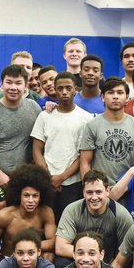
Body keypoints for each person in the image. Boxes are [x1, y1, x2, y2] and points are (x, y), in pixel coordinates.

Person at [31, 71, 92, 217]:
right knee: (47, 225)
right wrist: (49, 177)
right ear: (55, 89)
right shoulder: (44, 116)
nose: (64, 92)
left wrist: (62, 177)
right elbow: (36, 150)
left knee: (69, 224)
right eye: (60, 88)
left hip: (73, 183)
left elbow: (83, 155)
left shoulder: (86, 118)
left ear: (75, 90)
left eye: (68, 88)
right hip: (47, 182)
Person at [0, 64, 41, 188]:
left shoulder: (34, 108)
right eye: (9, 82)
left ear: (26, 85)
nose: (13, 87)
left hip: (26, 178)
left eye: (18, 83)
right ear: (1, 84)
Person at [54, 170, 134, 268]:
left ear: (107, 191)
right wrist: (89, 257)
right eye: (90, 192)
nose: (94, 197)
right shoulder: (72, 210)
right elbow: (60, 247)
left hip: (108, 265)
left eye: (98, 192)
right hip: (80, 262)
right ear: (83, 193)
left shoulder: (121, 215)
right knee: (61, 262)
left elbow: (125, 254)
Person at [79, 77, 134, 186]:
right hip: (100, 190)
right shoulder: (92, 126)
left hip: (127, 189)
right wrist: (90, 188)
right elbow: (85, 162)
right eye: (110, 93)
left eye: (120, 93)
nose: (115, 96)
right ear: (102, 97)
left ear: (127, 97)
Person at [0, 164, 56, 261]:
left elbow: (53, 242)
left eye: (35, 196)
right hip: (7, 260)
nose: (31, 200)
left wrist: (28, 248)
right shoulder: (4, 215)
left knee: (48, 255)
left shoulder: (46, 212)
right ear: (19, 196)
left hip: (33, 260)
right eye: (26, 196)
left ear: (41, 197)